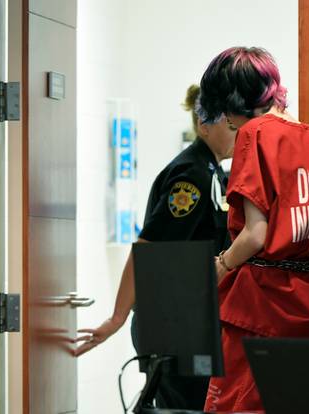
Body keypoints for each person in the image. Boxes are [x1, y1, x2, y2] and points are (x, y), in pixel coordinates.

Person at [196, 46, 309, 412]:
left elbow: (255, 234)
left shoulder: (256, 134)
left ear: (232, 102)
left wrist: (220, 267)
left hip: (259, 304)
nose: (228, 124)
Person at [74, 84, 236, 410]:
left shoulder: (211, 170)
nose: (239, 134)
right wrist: (116, 318)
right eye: (231, 127)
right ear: (205, 126)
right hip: (173, 326)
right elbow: (148, 248)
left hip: (187, 320)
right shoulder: (192, 175)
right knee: (183, 407)